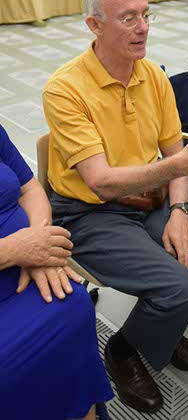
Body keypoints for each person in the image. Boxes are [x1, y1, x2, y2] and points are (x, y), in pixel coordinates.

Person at [42, 0, 188, 415]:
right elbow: (102, 182)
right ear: (94, 25)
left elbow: (174, 156)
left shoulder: (152, 75)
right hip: (89, 212)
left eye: (146, 14)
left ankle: (163, 330)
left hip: (151, 198)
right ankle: (123, 350)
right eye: (128, 18)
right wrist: (182, 166)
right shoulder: (65, 89)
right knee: (182, 286)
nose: (143, 27)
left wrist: (179, 211)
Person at [0, 124, 113, 420]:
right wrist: (13, 250)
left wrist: (40, 241)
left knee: (74, 305)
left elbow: (29, 188)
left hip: (28, 263)